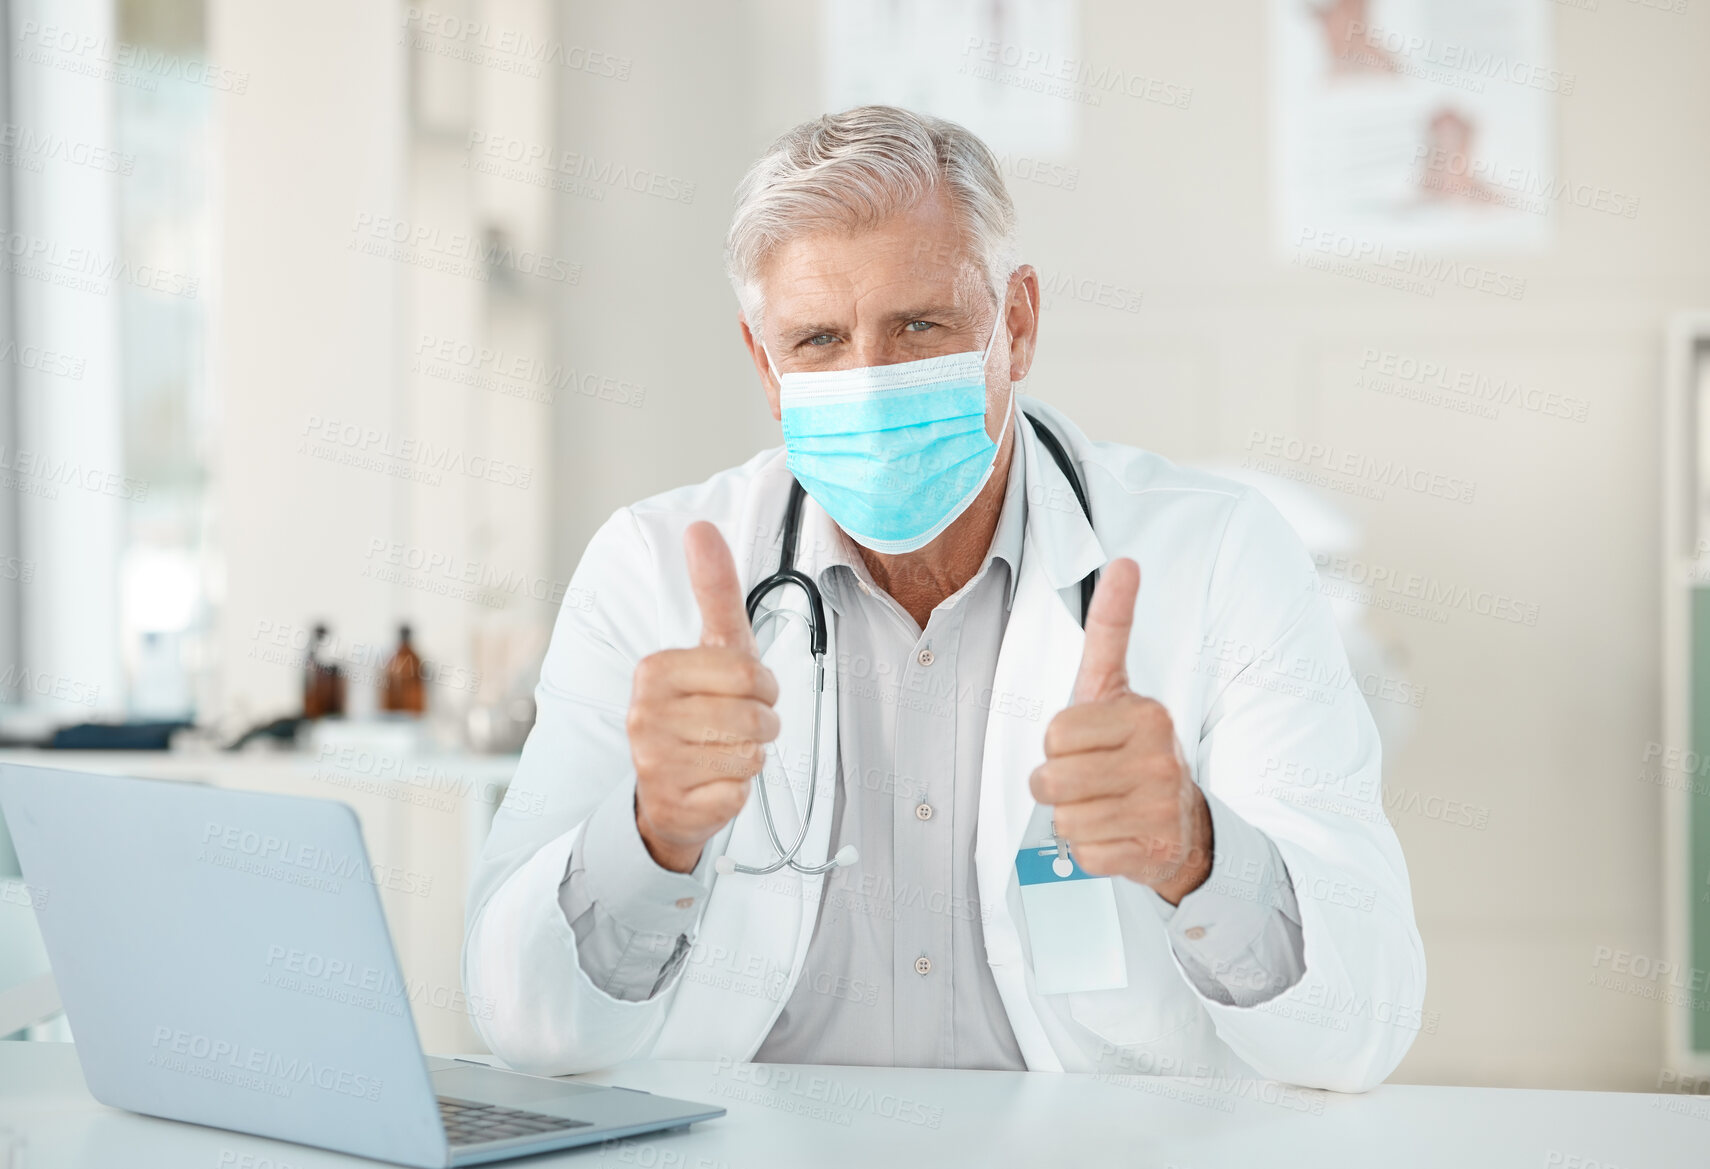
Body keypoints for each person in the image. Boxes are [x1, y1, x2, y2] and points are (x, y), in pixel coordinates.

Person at [463, 106, 1425, 1090]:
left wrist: (1196, 851)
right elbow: (521, 1021)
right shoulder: (650, 567)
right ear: (764, 366)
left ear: (1016, 322)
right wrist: (648, 835)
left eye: (918, 325)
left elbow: (1362, 1026)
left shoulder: (1219, 555)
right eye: (819, 340)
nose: (872, 383)